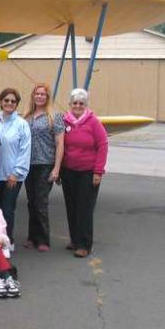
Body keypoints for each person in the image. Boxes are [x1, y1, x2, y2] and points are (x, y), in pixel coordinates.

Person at [61, 88, 108, 258]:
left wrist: (98, 171)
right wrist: (58, 170)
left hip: (88, 172)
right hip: (68, 171)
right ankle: (75, 240)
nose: (78, 105)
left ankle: (85, 244)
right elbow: (60, 146)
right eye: (75, 103)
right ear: (70, 104)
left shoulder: (93, 122)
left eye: (81, 103)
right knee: (71, 206)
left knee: (85, 209)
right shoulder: (64, 121)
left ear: (86, 105)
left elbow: (103, 145)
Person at [22, 83, 65, 252]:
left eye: (43, 94)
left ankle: (43, 239)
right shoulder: (27, 116)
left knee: (41, 202)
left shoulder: (54, 117)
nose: (39, 96)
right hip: (28, 165)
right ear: (33, 96)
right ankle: (32, 236)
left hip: (45, 163)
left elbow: (60, 143)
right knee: (31, 202)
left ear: (47, 97)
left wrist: (56, 168)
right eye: (37, 94)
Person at [0, 88, 31, 247]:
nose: (9, 103)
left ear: (17, 104)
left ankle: (8, 242)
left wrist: (16, 173)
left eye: (12, 101)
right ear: (1, 101)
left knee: (7, 210)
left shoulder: (22, 124)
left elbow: (25, 151)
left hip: (12, 176)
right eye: (6, 100)